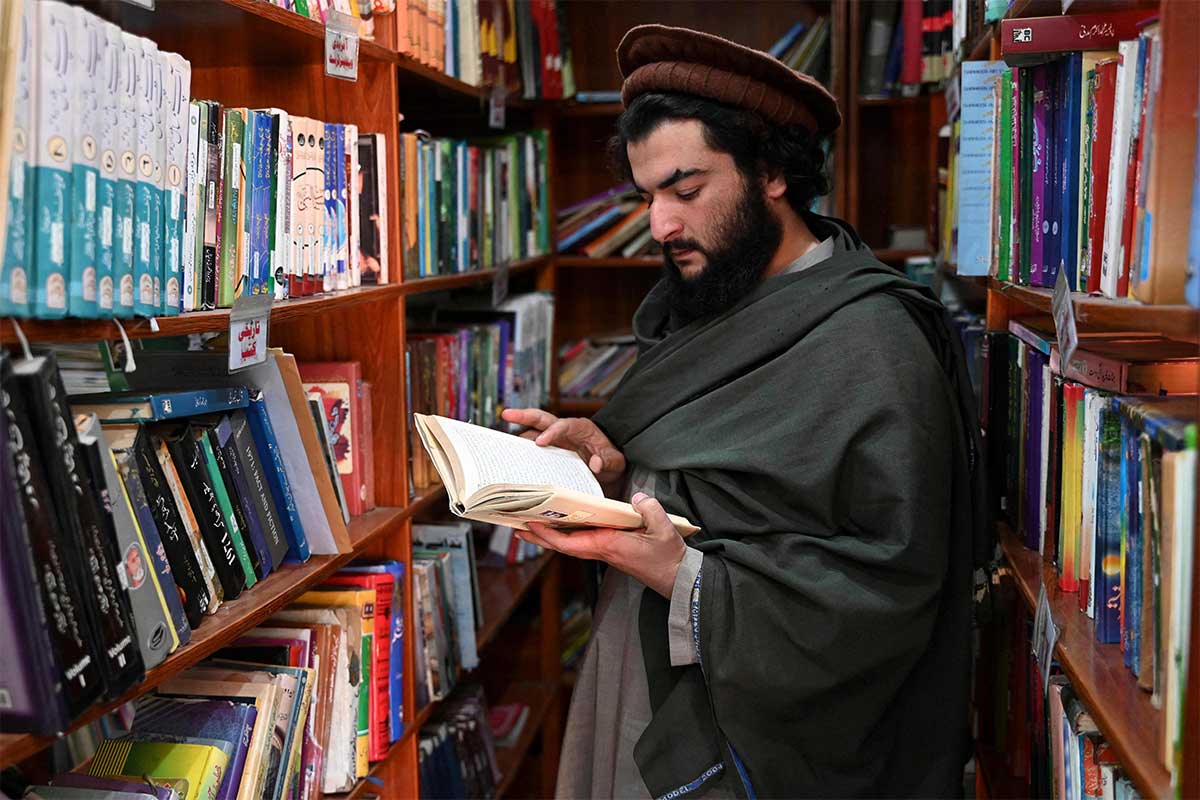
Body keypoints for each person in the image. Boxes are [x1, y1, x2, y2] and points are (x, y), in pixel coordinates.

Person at [502, 24, 986, 800]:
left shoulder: (876, 343)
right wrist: (617, 461)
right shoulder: (717, 294)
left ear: (771, 172)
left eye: (686, 191)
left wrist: (680, 571)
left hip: (751, 732)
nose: (660, 225)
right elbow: (711, 461)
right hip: (648, 678)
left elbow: (893, 590)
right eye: (648, 196)